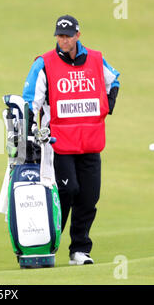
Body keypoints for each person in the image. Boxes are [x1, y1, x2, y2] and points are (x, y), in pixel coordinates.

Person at [22, 15, 120, 265]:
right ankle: (51, 242)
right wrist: (31, 131)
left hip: (90, 141)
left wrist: (106, 106)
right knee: (68, 190)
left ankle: (79, 249)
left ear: (78, 35)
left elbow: (114, 80)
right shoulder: (45, 63)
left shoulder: (96, 59)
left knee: (89, 196)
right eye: (59, 36)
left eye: (67, 36)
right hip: (59, 143)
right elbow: (31, 99)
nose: (63, 40)